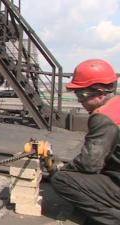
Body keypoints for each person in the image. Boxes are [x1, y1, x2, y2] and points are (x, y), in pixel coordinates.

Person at [49, 59, 120, 225]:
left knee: (61, 180)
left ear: (100, 93)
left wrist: (64, 168)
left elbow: (90, 164)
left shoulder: (104, 117)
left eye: (82, 95)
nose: (79, 101)